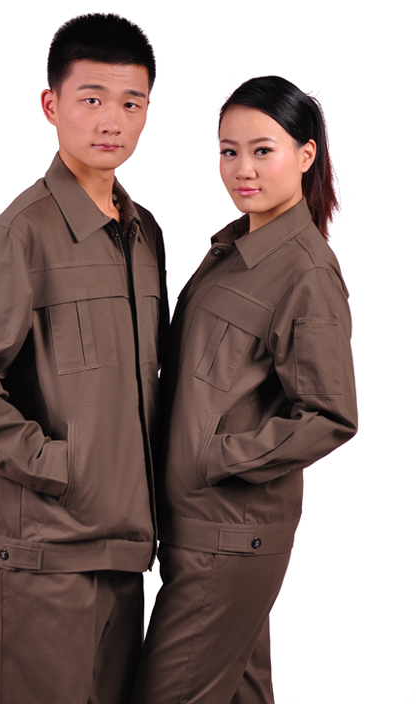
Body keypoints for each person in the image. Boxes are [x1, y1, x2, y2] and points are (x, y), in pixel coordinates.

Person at [0, 13, 168, 704]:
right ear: (51, 105)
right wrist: (59, 465)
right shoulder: (18, 235)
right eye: (91, 98)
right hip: (42, 564)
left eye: (132, 103)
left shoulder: (144, 234)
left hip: (125, 560)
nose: (112, 121)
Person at [130, 76, 358, 704]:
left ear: (305, 155)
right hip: (196, 528)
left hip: (230, 535)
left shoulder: (306, 271)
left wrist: (216, 458)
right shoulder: (233, 251)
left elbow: (331, 414)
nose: (242, 169)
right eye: (229, 151)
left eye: (262, 150)